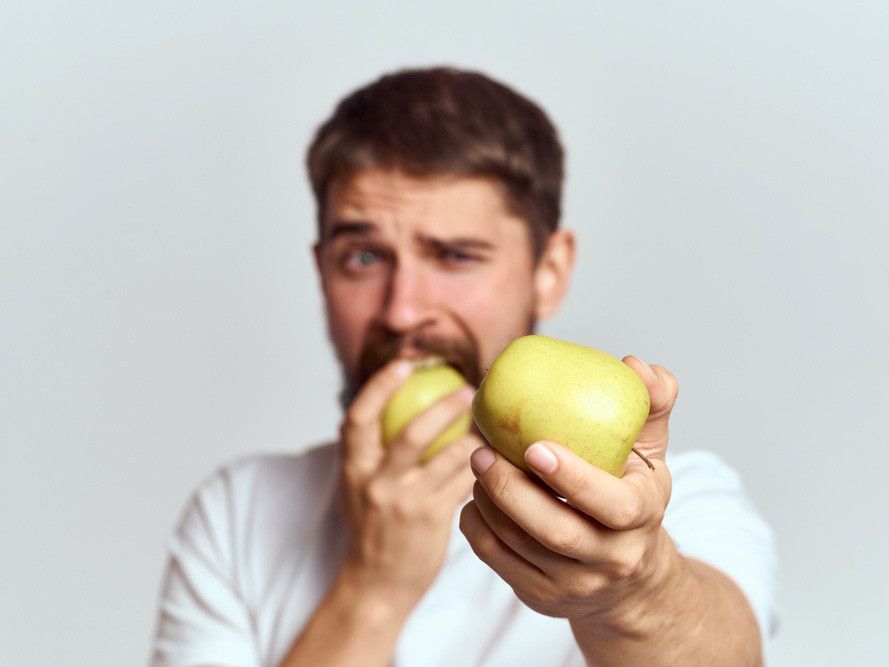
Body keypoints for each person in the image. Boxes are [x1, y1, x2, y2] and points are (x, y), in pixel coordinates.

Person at [150, 67, 777, 667]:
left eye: (454, 256)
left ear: (548, 271)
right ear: (321, 272)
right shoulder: (239, 514)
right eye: (364, 257)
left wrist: (635, 592)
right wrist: (374, 588)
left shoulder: (667, 502)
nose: (403, 312)